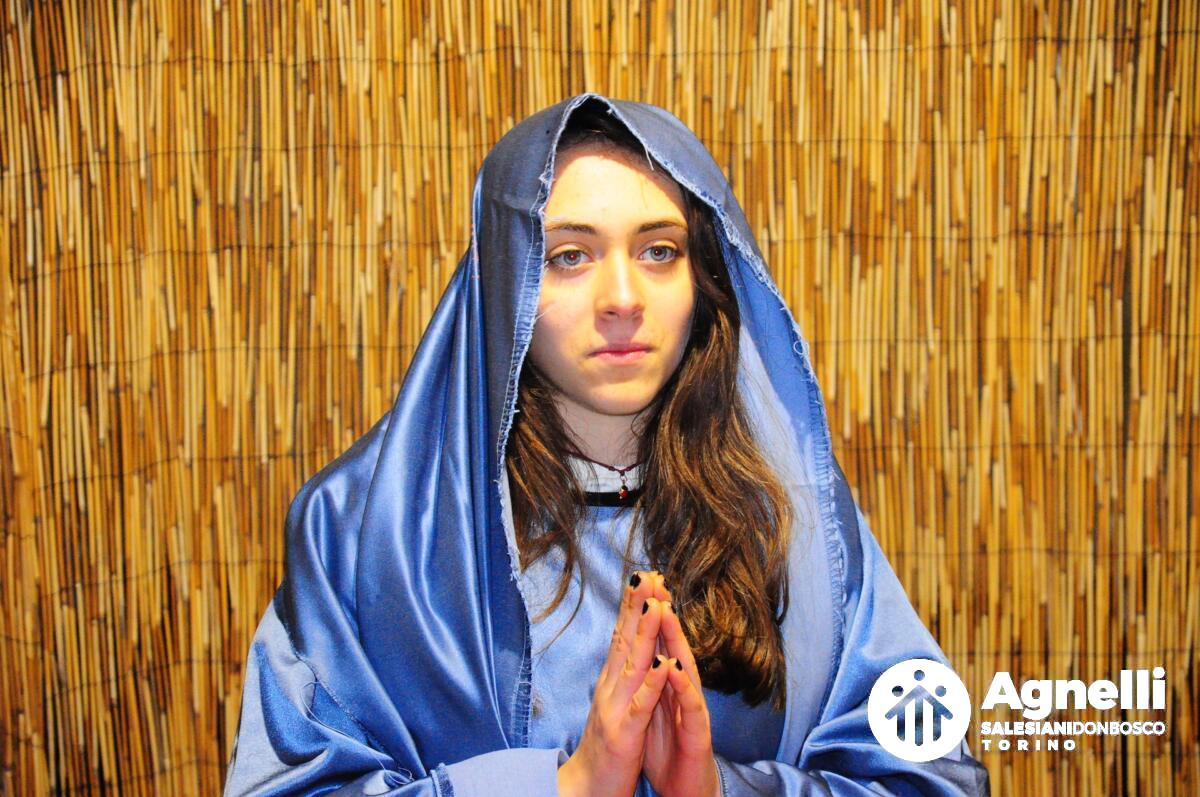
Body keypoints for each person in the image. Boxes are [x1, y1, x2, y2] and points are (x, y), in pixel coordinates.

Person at [224, 94, 990, 796]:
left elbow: (934, 774)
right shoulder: (366, 525)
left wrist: (721, 789)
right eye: (569, 255)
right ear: (506, 283)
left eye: (659, 251)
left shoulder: (790, 516)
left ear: (704, 280)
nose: (622, 298)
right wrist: (567, 786)